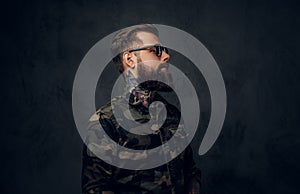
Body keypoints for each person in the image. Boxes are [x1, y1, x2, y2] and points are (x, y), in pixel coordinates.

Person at [81, 24, 201, 194]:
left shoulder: (172, 114)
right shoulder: (106, 121)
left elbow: (191, 172)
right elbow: (95, 189)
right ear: (130, 59)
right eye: (156, 50)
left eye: (165, 50)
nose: (166, 56)